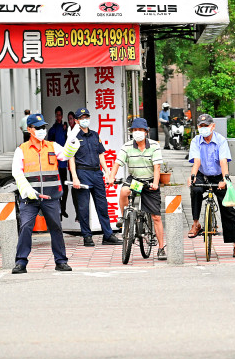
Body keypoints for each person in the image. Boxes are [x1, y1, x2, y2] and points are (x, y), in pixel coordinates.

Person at [11, 113, 80, 274]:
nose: (42, 130)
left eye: (44, 127)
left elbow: (66, 155)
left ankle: (61, 261)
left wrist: (71, 140)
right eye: (38, 127)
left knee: (56, 227)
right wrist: (27, 190)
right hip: (30, 198)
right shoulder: (21, 150)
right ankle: (21, 262)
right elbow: (17, 173)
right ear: (29, 129)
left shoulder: (52, 146)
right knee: (26, 227)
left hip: (51, 196)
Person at [106, 118, 166, 260]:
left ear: (146, 132)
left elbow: (157, 167)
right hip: (136, 181)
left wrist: (156, 183)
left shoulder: (154, 146)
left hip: (150, 181)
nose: (137, 132)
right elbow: (117, 163)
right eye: (134, 130)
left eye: (140, 130)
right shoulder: (127, 146)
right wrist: (111, 177)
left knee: (156, 217)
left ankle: (161, 248)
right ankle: (124, 217)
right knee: (124, 191)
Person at [187, 113, 235, 258]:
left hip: (218, 175)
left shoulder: (221, 140)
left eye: (206, 126)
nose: (203, 129)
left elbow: (223, 161)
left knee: (228, 208)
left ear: (213, 126)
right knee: (196, 189)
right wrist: (192, 176)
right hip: (202, 174)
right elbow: (196, 160)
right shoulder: (196, 141)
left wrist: (225, 179)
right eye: (201, 126)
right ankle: (196, 223)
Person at [70, 107, 121, 246]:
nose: (85, 120)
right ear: (76, 121)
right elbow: (71, 158)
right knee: (83, 207)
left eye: (86, 117)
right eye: (81, 118)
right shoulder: (74, 137)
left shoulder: (94, 135)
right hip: (82, 173)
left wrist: (108, 172)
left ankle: (108, 235)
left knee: (102, 205)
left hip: (96, 173)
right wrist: (74, 176)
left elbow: (101, 154)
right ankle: (87, 236)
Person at [47, 106, 70, 218]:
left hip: (63, 164)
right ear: (55, 116)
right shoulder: (52, 130)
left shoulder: (65, 128)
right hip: (55, 164)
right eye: (57, 115)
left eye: (60, 115)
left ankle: (63, 208)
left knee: (65, 187)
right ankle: (58, 210)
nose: (59, 117)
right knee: (57, 187)